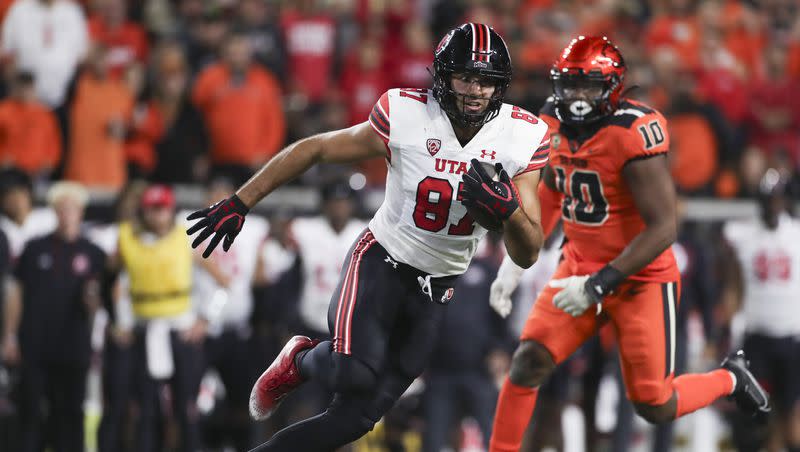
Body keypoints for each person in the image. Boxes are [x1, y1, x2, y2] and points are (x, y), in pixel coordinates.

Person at [187, 23, 550, 451]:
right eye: (465, 76)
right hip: (382, 260)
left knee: (355, 419)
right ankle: (301, 359)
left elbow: (527, 253)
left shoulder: (522, 136)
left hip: (438, 286)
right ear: (442, 76)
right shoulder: (407, 114)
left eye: (485, 80)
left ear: (500, 86)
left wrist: (507, 210)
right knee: (352, 372)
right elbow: (316, 148)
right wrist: (240, 202)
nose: (474, 90)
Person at [488, 36, 770, 452]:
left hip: (640, 278)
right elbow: (552, 190)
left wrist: (599, 285)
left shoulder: (632, 131)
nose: (578, 97)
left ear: (613, 87)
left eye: (588, 85)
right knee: (527, 362)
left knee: (653, 404)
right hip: (579, 265)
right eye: (571, 85)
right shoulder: (550, 120)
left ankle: (730, 378)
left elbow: (663, 229)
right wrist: (517, 262)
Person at [2, 182, 105, 452]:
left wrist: (93, 300)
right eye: (62, 207)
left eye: (73, 207)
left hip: (74, 347)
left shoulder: (93, 253)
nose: (68, 212)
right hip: (35, 345)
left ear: (81, 212)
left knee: (71, 414)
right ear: (54, 211)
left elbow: (103, 298)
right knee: (31, 413)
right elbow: (16, 294)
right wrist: (10, 336)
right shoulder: (34, 248)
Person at [721, 169, 800, 452]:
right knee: (752, 415)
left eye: (777, 199)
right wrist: (726, 329)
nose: (773, 205)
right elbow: (733, 288)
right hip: (756, 336)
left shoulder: (796, 234)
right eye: (768, 199)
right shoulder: (743, 235)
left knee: (792, 421)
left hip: (791, 336)